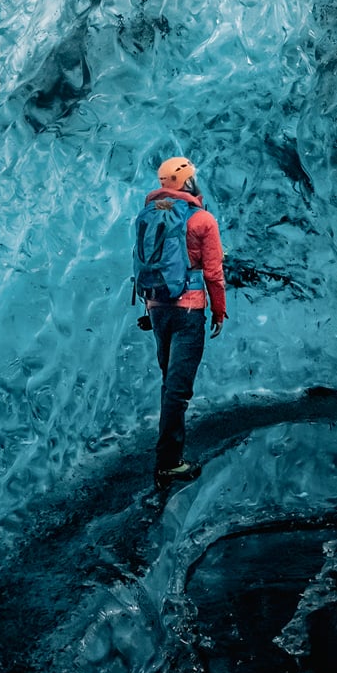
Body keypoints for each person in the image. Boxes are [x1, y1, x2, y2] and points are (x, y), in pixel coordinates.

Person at [132, 155, 227, 485]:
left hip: (157, 308)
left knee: (169, 384)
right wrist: (218, 311)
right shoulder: (201, 220)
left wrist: (149, 308)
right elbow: (214, 273)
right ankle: (169, 462)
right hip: (188, 309)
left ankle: (166, 454)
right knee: (178, 389)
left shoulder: (149, 214)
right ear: (187, 182)